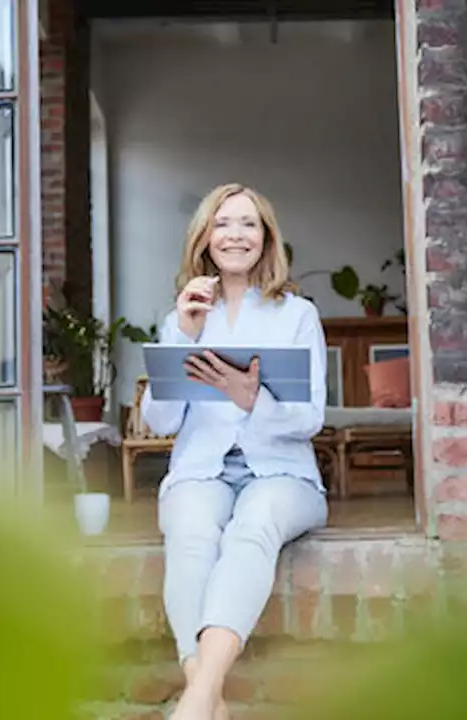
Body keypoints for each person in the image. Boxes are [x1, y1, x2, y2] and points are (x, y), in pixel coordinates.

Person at [140, 183, 329, 720]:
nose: (236, 234)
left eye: (249, 223)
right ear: (205, 238)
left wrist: (253, 400)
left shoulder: (297, 315)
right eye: (223, 223)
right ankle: (207, 697)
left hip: (281, 474)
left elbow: (311, 418)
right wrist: (182, 335)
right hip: (201, 469)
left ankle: (197, 700)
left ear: (266, 238)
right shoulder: (183, 316)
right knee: (192, 533)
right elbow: (159, 420)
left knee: (253, 526)